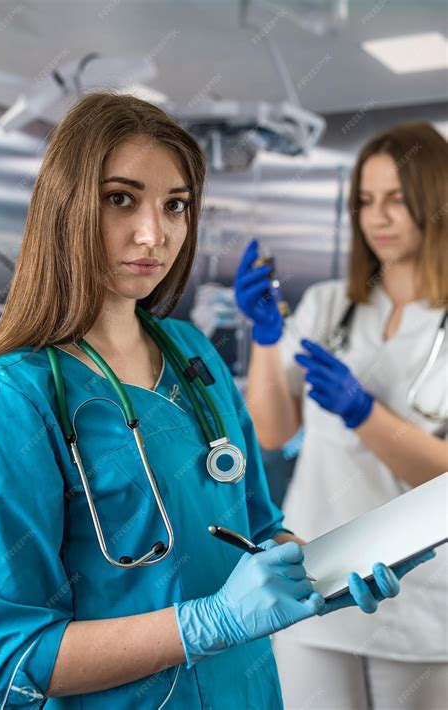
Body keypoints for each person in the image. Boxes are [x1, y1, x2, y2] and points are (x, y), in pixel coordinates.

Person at [0, 95, 434, 710]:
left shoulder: (191, 353)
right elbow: (17, 662)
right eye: (121, 199)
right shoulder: (14, 398)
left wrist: (326, 571)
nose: (153, 234)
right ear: (65, 205)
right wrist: (207, 624)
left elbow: (260, 529)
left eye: (175, 206)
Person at [234, 121, 448, 709]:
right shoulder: (331, 303)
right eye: (364, 201)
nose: (376, 217)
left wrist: (362, 413)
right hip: (319, 577)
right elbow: (275, 432)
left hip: (421, 595)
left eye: (397, 200)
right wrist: (267, 339)